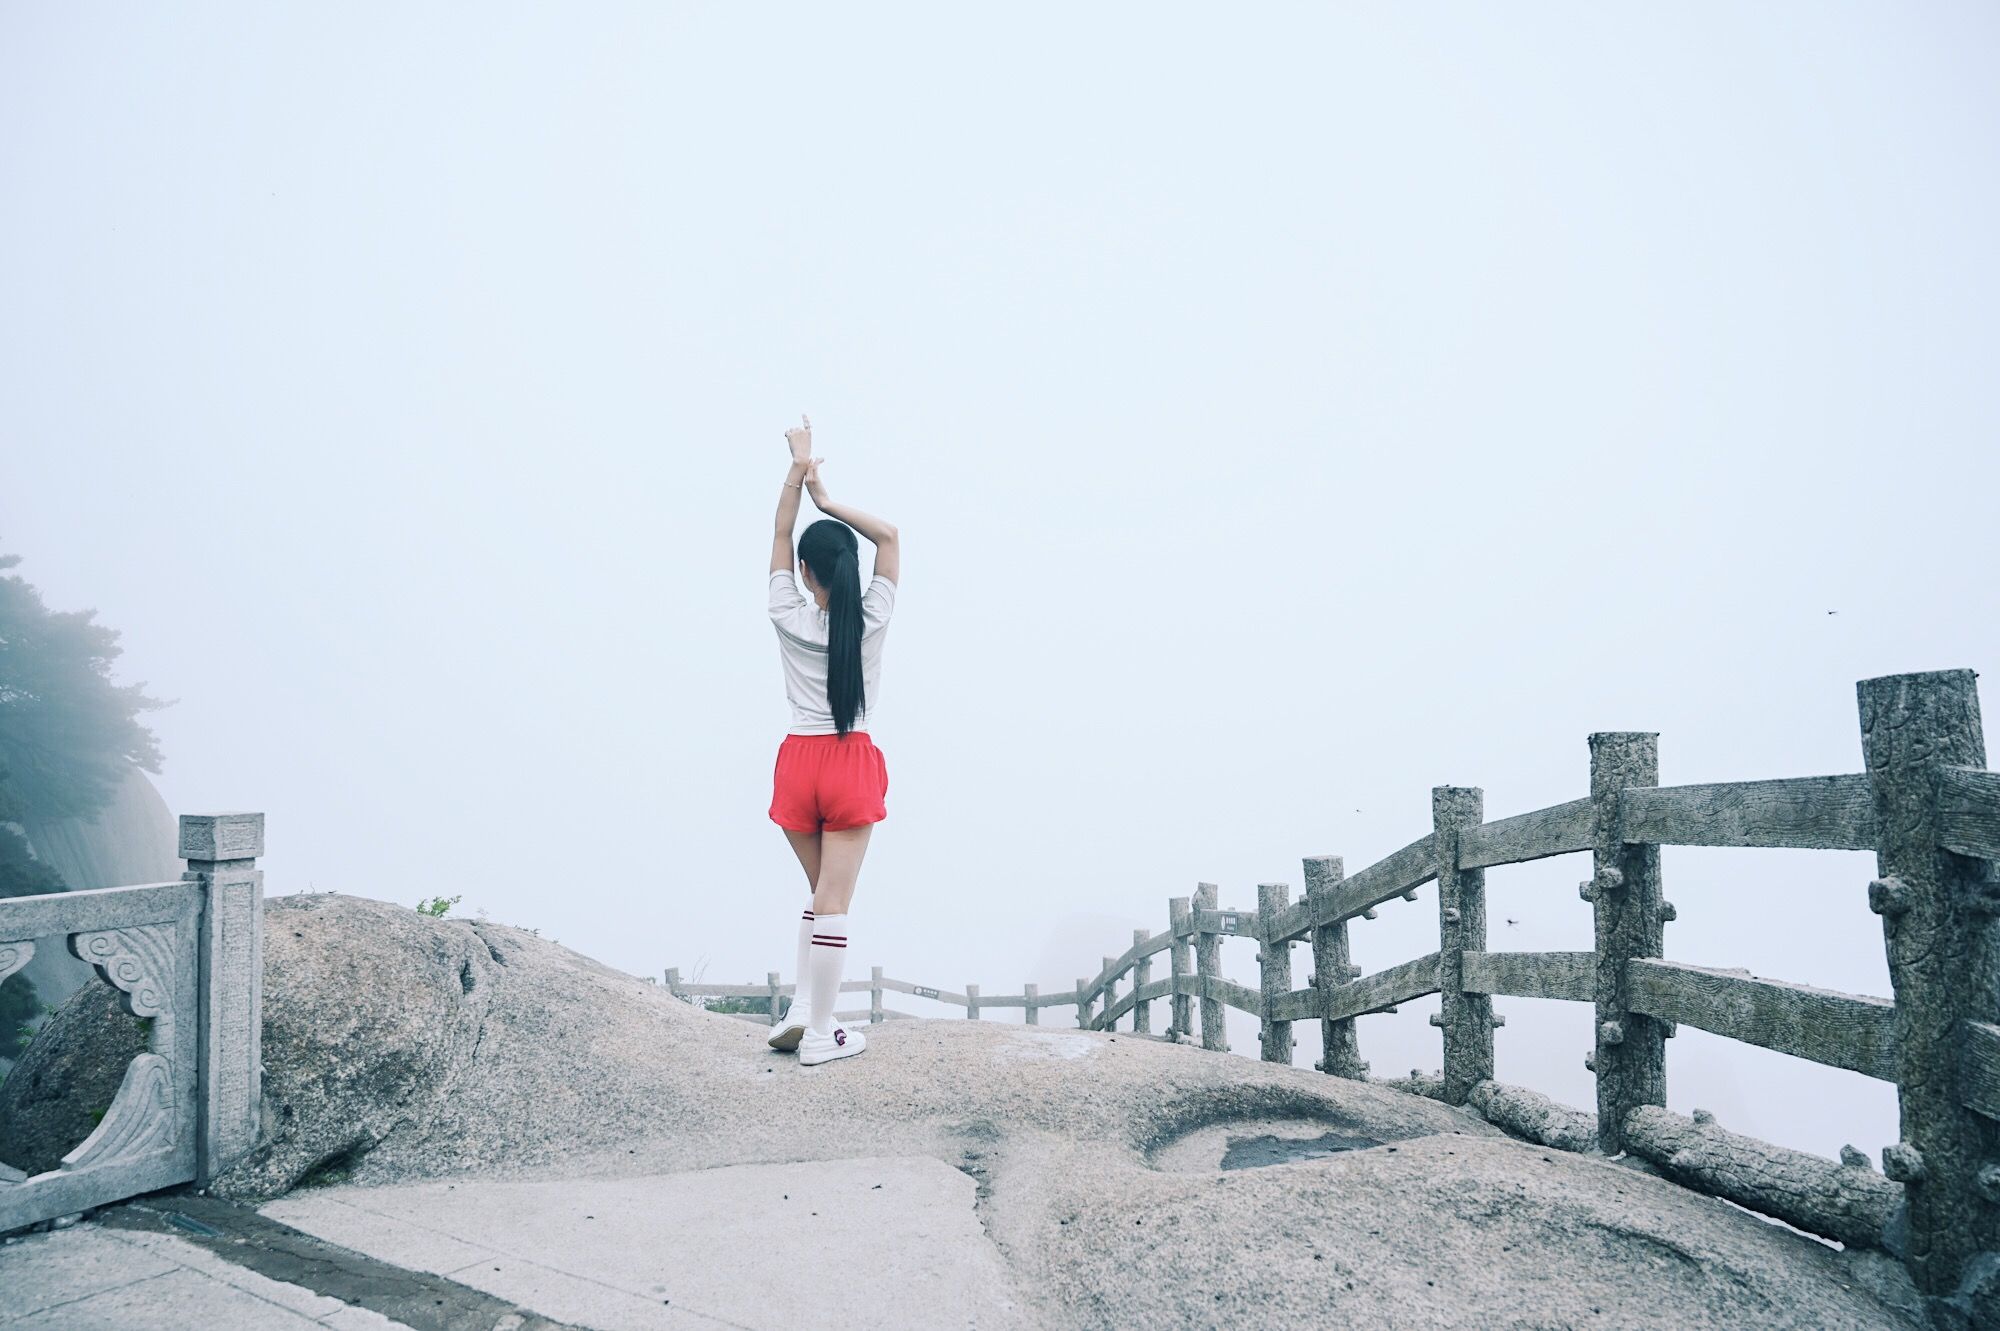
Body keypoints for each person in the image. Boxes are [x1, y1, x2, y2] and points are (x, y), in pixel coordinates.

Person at [762, 415, 899, 1066]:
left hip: (798, 761)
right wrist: (830, 498)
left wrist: (800, 468)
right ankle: (822, 1032)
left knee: (820, 897)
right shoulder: (871, 619)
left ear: (807, 573)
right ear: (848, 569)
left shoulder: (786, 613)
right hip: (848, 762)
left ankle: (799, 1011)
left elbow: (781, 535)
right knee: (834, 903)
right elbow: (891, 536)